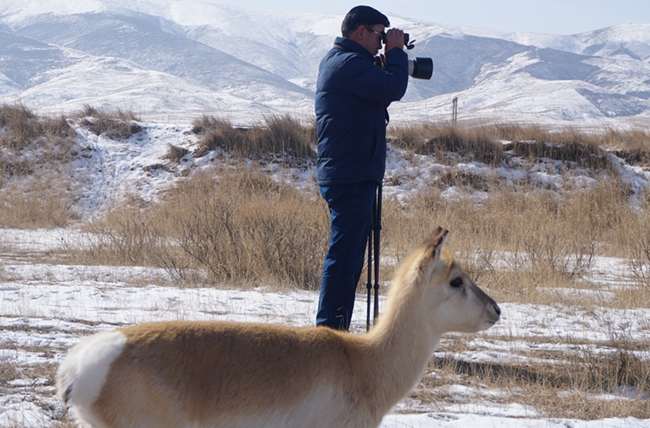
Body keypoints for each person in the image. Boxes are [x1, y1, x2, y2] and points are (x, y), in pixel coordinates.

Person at [315, 5, 409, 330]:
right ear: (360, 32)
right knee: (344, 260)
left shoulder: (343, 62)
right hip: (351, 174)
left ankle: (333, 329)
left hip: (349, 171)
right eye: (381, 36)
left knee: (349, 259)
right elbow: (394, 88)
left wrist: (386, 64)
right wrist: (397, 55)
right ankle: (329, 332)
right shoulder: (347, 64)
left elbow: (376, 96)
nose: (383, 42)